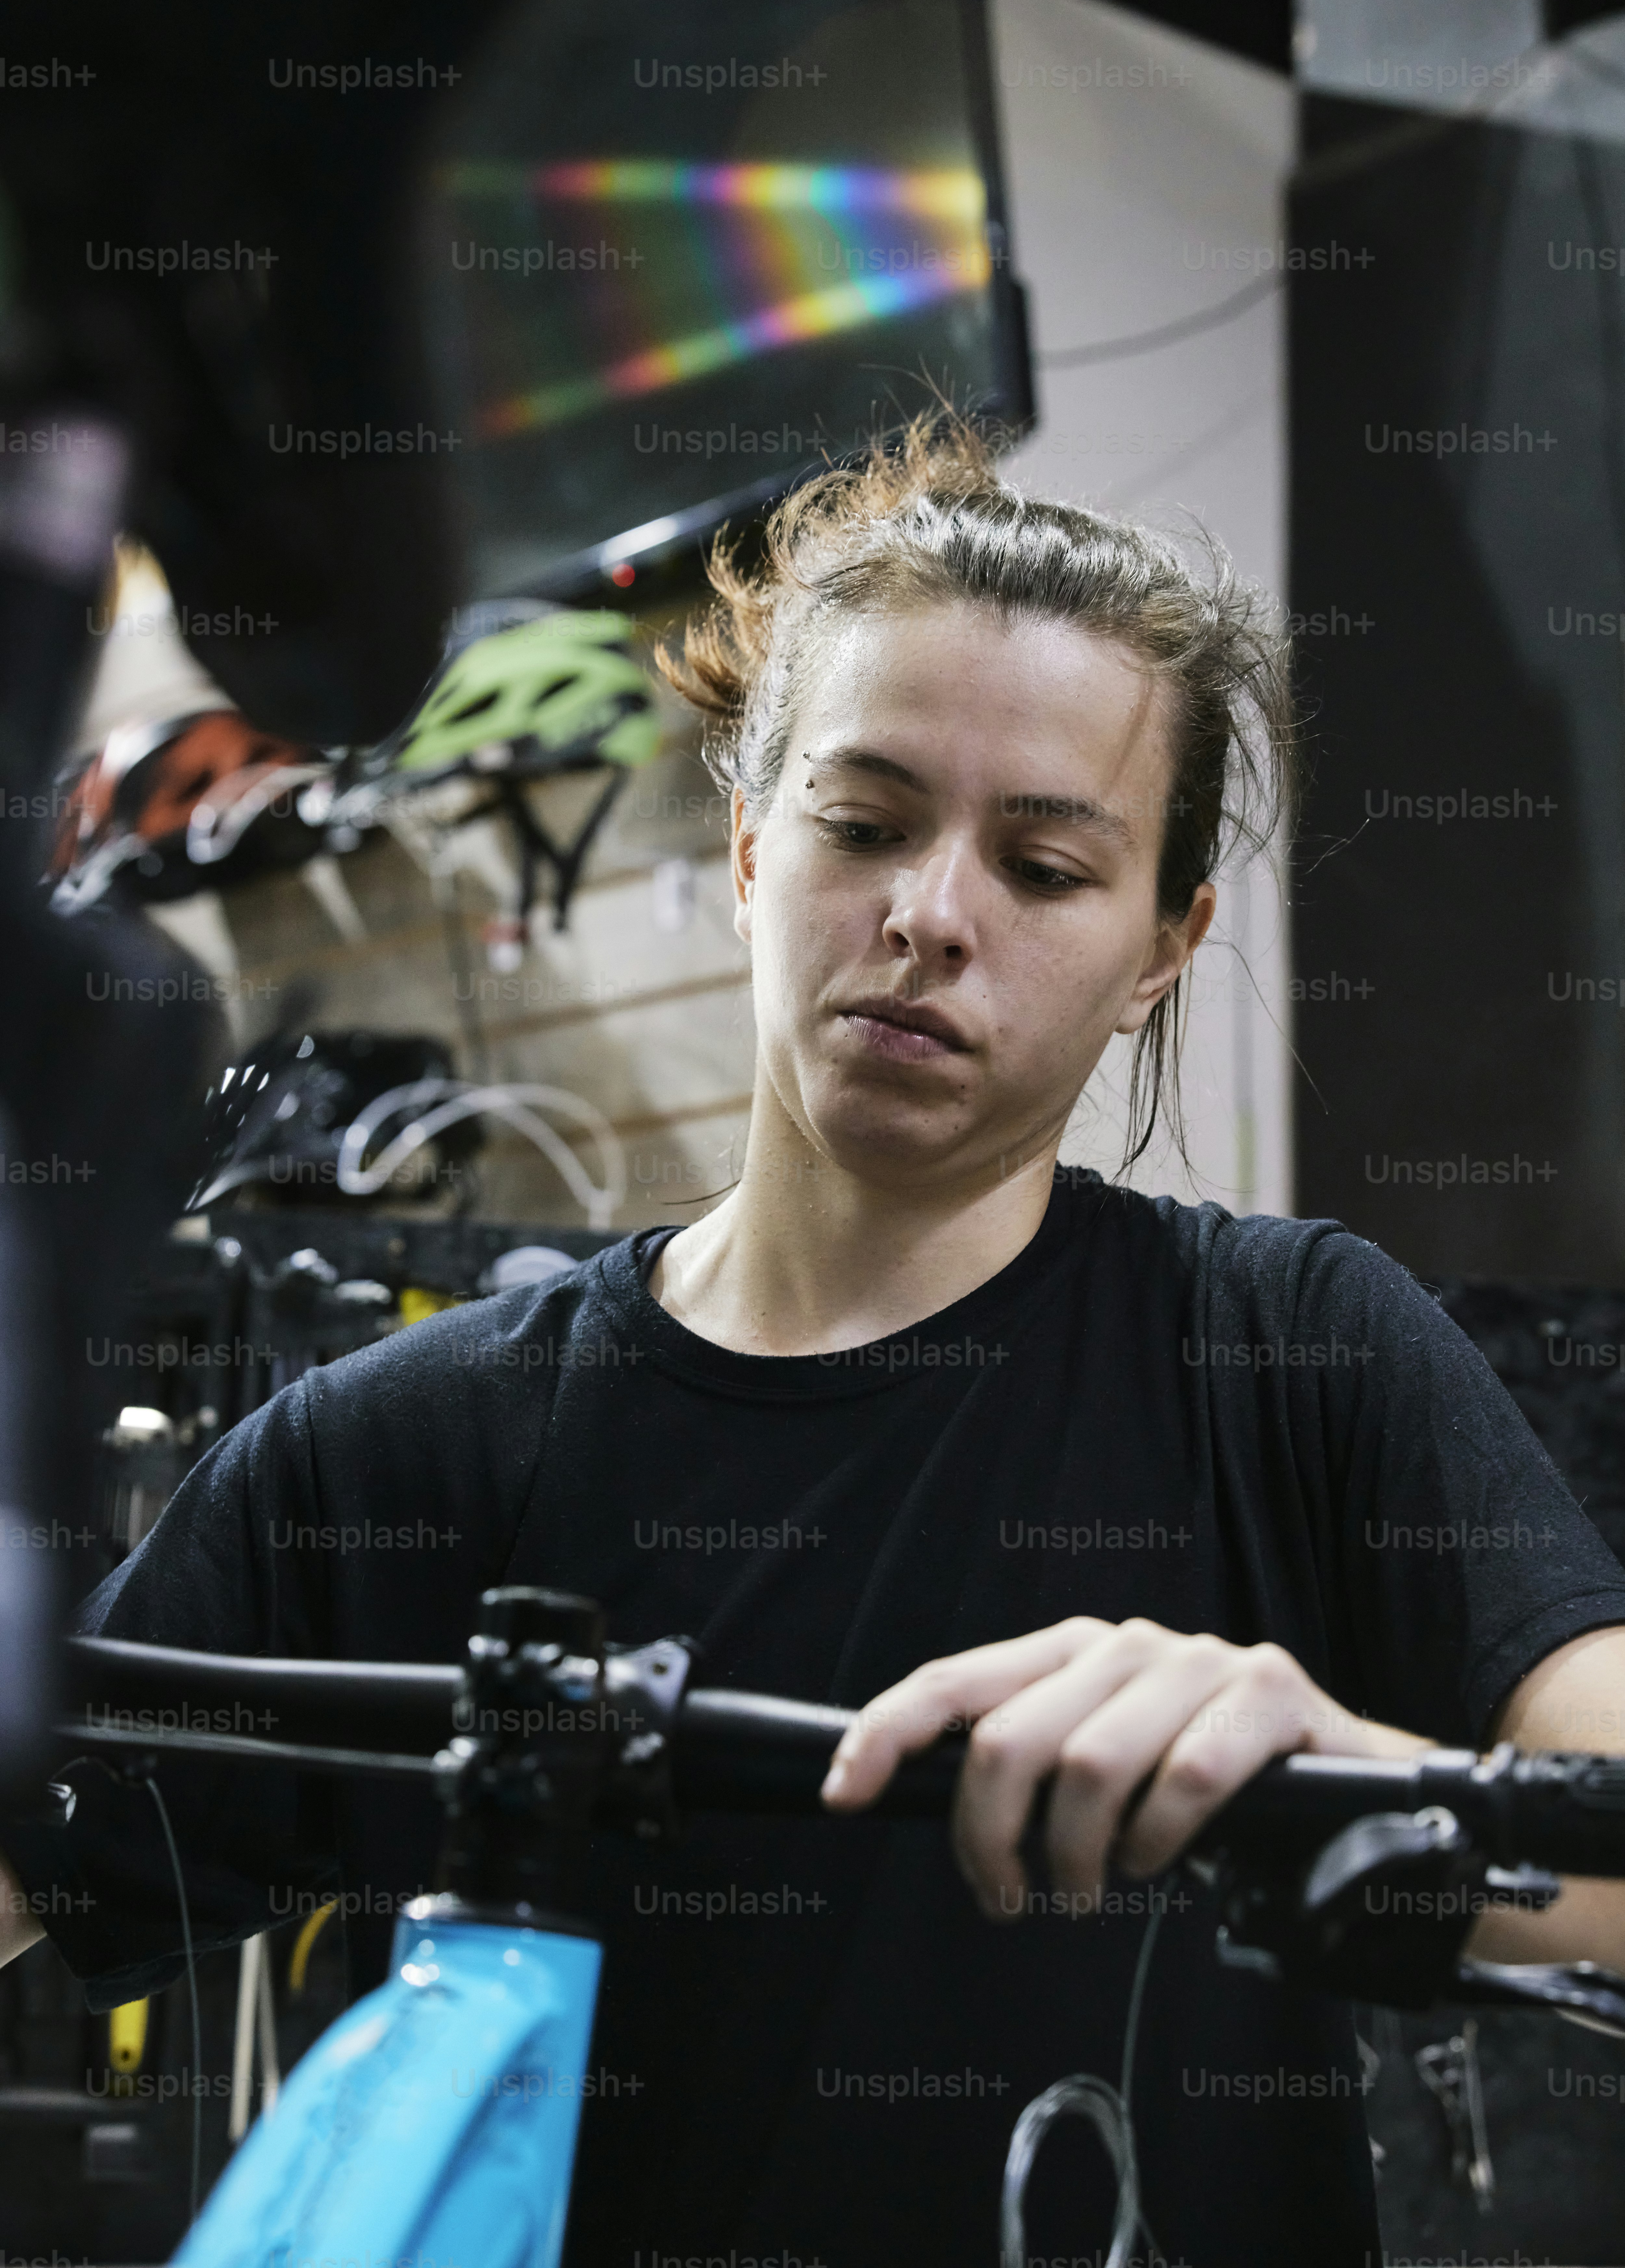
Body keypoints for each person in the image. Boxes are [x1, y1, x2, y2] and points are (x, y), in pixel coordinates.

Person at [5, 418, 1625, 2268]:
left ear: (1163, 947)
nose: (932, 917)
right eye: (866, 825)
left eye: (1045, 866)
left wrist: (1355, 1774)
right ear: (757, 847)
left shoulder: (1289, 1353)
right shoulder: (397, 1459)